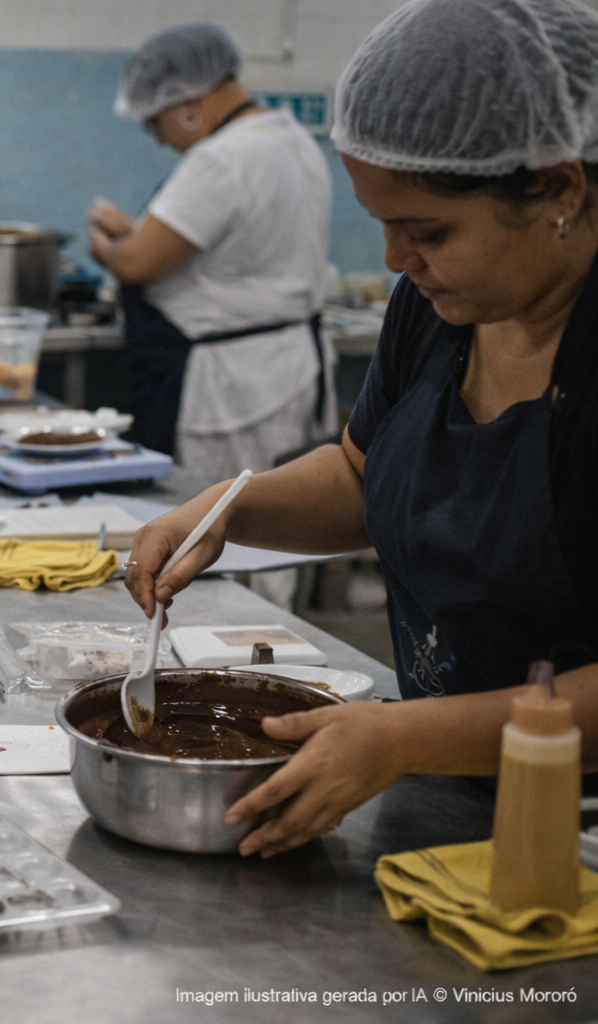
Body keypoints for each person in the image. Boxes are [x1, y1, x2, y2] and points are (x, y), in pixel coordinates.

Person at [125, 0, 598, 859]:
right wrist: (230, 507)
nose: (394, 261)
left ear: (560, 190)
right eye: (383, 225)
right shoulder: (436, 309)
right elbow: (360, 474)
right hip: (452, 801)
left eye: (428, 231)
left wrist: (410, 737)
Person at [89, 23, 336, 483]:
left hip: (233, 388)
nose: (160, 139)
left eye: (155, 122)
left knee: (221, 516)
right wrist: (137, 233)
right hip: (288, 368)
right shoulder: (289, 137)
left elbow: (136, 263)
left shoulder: (222, 159)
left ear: (185, 99)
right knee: (280, 511)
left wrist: (105, 244)